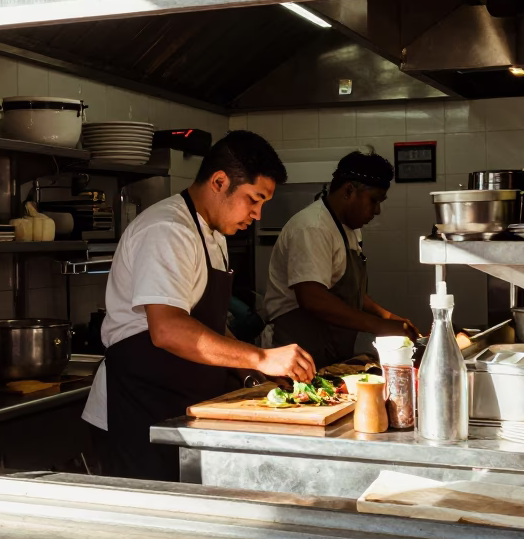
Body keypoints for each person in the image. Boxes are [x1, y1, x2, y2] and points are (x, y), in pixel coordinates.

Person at [81, 131, 315, 480]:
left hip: (178, 404)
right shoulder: (168, 229)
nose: (257, 214)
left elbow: (206, 321)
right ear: (220, 181)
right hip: (136, 408)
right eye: (254, 199)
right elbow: (168, 329)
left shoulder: (213, 234)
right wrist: (262, 357)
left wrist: (249, 372)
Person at [264, 149, 419, 370]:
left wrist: (389, 317)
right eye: (374, 200)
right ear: (349, 190)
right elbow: (313, 298)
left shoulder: (349, 229)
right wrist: (379, 326)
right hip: (294, 351)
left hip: (328, 350)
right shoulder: (313, 227)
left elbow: (350, 290)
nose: (377, 210)